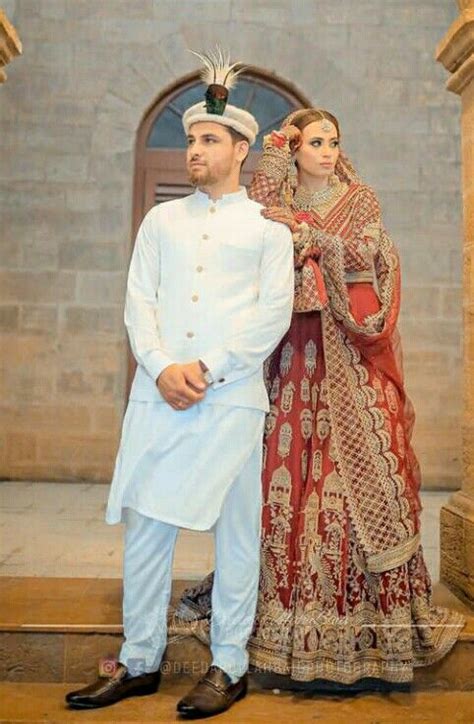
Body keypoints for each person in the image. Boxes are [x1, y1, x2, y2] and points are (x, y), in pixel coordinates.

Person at [177, 107, 465, 687]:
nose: (328, 151)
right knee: (283, 479)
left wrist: (315, 242)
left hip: (350, 361)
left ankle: (370, 634)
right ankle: (275, 625)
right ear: (295, 149)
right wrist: (278, 157)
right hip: (288, 361)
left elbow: (373, 257)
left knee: (368, 484)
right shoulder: (271, 207)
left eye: (334, 141)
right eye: (314, 142)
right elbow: (258, 240)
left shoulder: (359, 200)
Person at [64, 50, 294, 718]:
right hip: (159, 395)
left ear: (241, 148)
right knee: (146, 525)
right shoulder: (160, 221)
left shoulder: (267, 230)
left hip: (230, 398)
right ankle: (139, 660)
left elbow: (270, 314)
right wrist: (163, 366)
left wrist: (209, 368)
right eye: (190, 139)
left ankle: (228, 665)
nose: (194, 148)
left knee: (236, 534)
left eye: (207, 139)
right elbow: (140, 301)